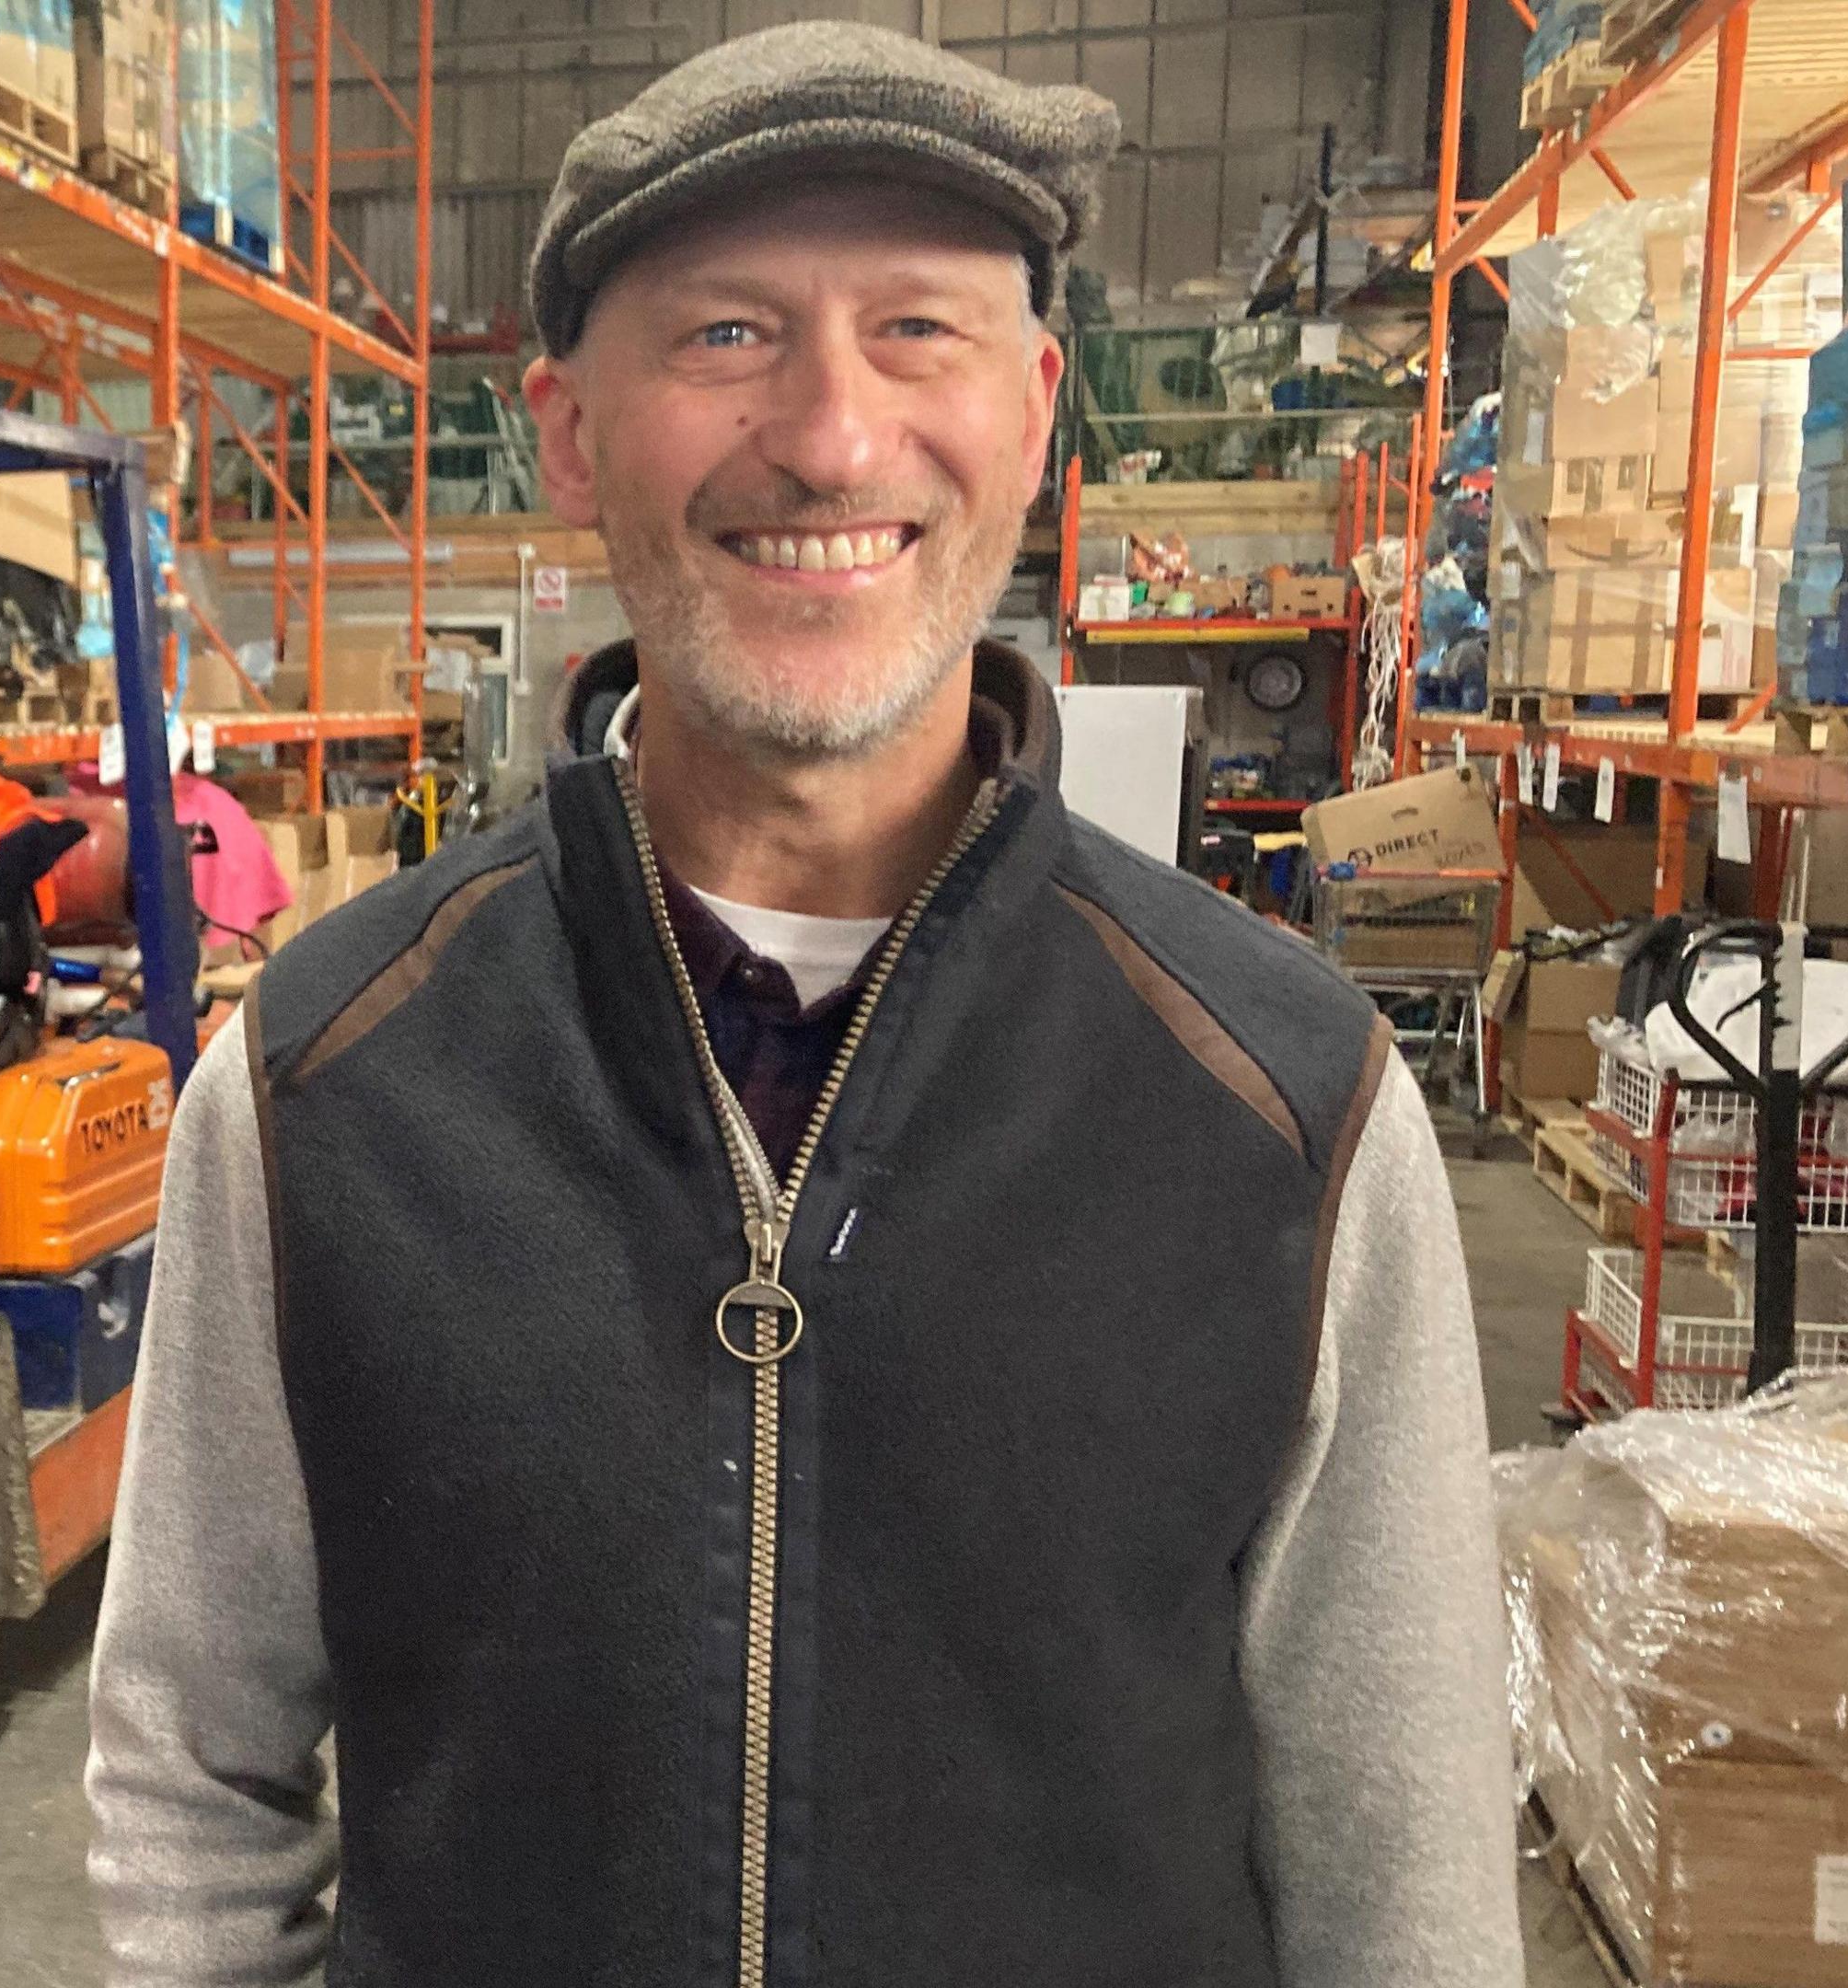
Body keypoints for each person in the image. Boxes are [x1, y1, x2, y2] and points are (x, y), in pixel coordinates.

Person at [83, 21, 1524, 1988]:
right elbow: (190, 1768)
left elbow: (1405, 1870)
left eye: (916, 331)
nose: (835, 438)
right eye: (728, 336)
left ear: (1034, 409)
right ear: (574, 429)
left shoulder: (1286, 1111)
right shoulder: (329, 1081)